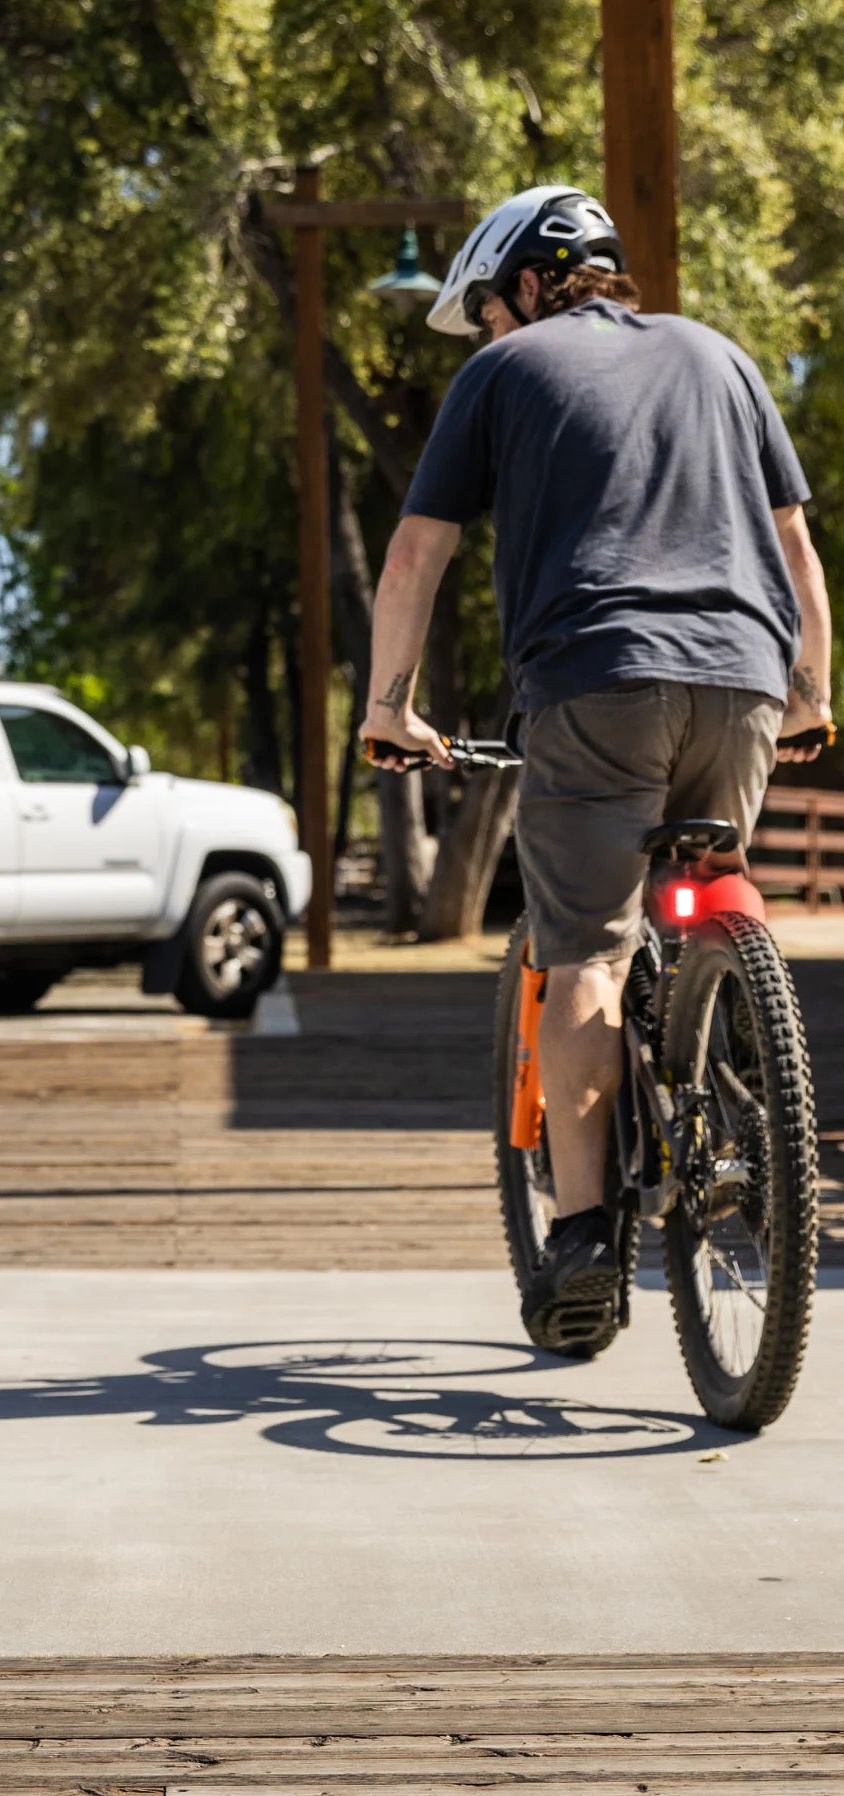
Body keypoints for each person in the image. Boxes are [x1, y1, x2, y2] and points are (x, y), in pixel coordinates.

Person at [359, 187, 833, 1349]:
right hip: (743, 681)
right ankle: (734, 1048)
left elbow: (416, 553)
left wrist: (389, 708)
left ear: (527, 284)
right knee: (707, 879)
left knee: (585, 951)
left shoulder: (503, 372)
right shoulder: (722, 358)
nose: (484, 332)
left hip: (597, 680)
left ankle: (580, 1241)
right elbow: (794, 547)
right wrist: (815, 694)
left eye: (485, 310)